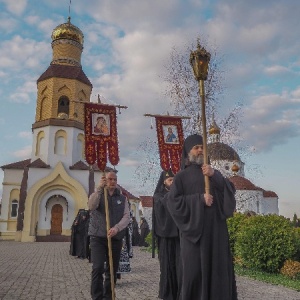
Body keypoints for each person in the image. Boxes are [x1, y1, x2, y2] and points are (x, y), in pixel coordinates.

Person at [167, 134, 238, 300]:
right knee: (193, 274)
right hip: (194, 237)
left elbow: (229, 191)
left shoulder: (212, 173)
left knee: (218, 273)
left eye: (202, 147)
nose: (200, 150)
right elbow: (173, 202)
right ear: (188, 152)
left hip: (216, 233)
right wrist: (199, 200)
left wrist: (215, 175)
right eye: (196, 147)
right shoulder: (181, 177)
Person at [88, 171, 130, 300]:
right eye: (110, 179)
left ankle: (108, 296)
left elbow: (126, 217)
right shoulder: (98, 195)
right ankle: (97, 297)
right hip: (98, 237)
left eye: (115, 179)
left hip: (115, 238)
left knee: (112, 270)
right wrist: (100, 189)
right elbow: (91, 206)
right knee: (98, 267)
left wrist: (117, 228)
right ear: (104, 180)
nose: (112, 182)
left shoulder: (122, 198)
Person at [153, 169, 181, 300]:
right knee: (167, 266)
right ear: (164, 181)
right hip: (165, 237)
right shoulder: (158, 196)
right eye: (170, 180)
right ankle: (168, 295)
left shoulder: (179, 194)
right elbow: (163, 205)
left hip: (179, 237)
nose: (173, 182)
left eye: (175, 180)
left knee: (180, 266)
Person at [116, 199, 133, 279]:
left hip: (122, 235)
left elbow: (129, 221)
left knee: (121, 254)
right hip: (113, 233)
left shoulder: (126, 211)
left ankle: (118, 273)